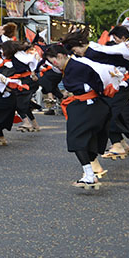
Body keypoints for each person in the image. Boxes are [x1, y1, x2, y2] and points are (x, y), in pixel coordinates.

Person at [43, 42, 113, 190]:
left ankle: (89, 175)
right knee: (87, 138)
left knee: (76, 138)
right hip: (90, 105)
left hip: (88, 105)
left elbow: (94, 84)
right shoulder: (72, 66)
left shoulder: (76, 67)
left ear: (60, 56)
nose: (54, 65)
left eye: (53, 61)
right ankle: (91, 171)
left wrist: (79, 90)